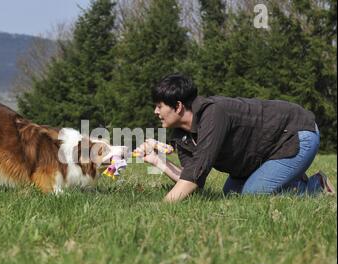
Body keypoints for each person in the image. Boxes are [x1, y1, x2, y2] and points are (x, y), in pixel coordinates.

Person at [134, 73, 335, 202]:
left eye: (159, 106)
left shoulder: (213, 114)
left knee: (252, 196)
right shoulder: (181, 134)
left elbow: (194, 177)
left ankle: (315, 186)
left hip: (295, 134)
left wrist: (161, 207)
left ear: (177, 106)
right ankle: (290, 180)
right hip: (261, 154)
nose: (155, 111)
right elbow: (190, 178)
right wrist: (158, 161)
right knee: (231, 196)